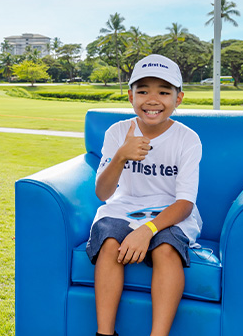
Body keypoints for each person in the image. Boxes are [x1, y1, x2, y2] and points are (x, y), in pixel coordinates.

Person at [87, 54, 202, 336]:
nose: (153, 99)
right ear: (130, 96)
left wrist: (147, 230)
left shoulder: (187, 138)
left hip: (170, 212)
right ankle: (105, 333)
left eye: (164, 92)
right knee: (110, 242)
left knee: (165, 249)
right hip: (123, 208)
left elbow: (185, 203)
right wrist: (120, 157)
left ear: (179, 98)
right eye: (143, 91)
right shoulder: (117, 133)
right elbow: (103, 194)